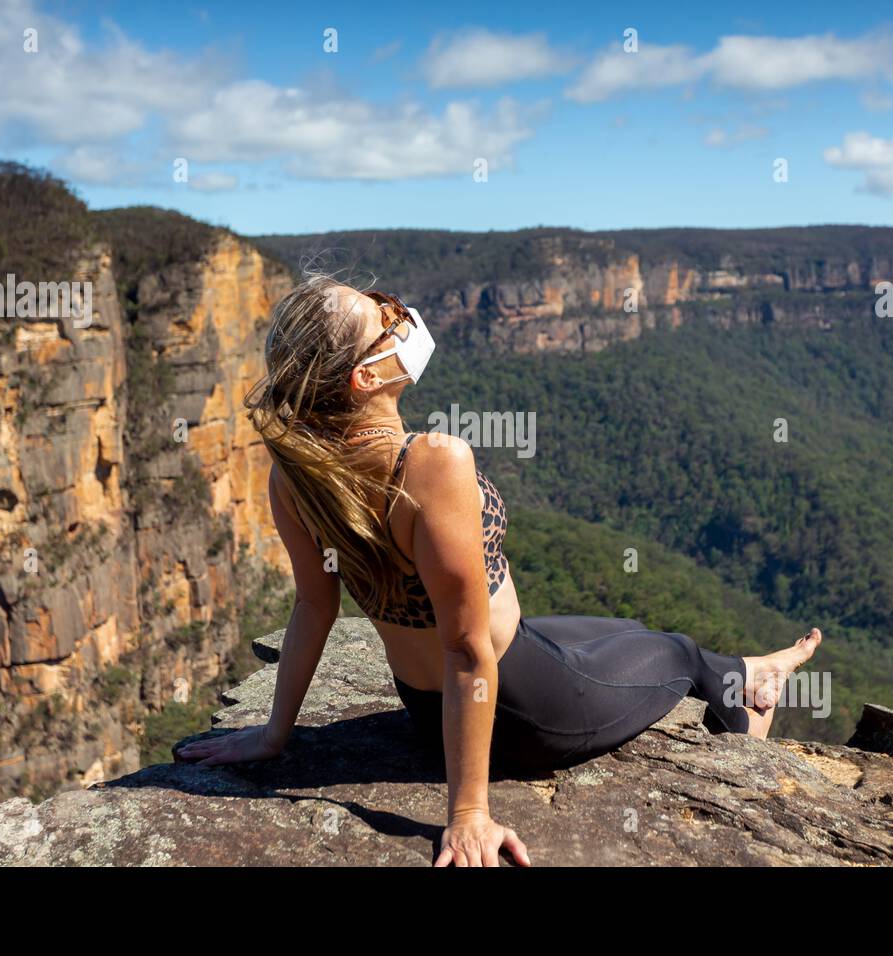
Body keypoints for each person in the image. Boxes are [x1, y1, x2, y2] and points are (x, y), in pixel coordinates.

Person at [175, 270, 823, 867]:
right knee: (676, 652)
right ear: (365, 378)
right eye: (386, 318)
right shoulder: (433, 463)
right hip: (521, 703)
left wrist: (273, 735)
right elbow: (464, 645)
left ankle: (751, 671)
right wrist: (468, 814)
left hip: (428, 710)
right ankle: (750, 711)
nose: (401, 318)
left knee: (621, 629)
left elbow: (315, 605)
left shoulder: (297, 476)